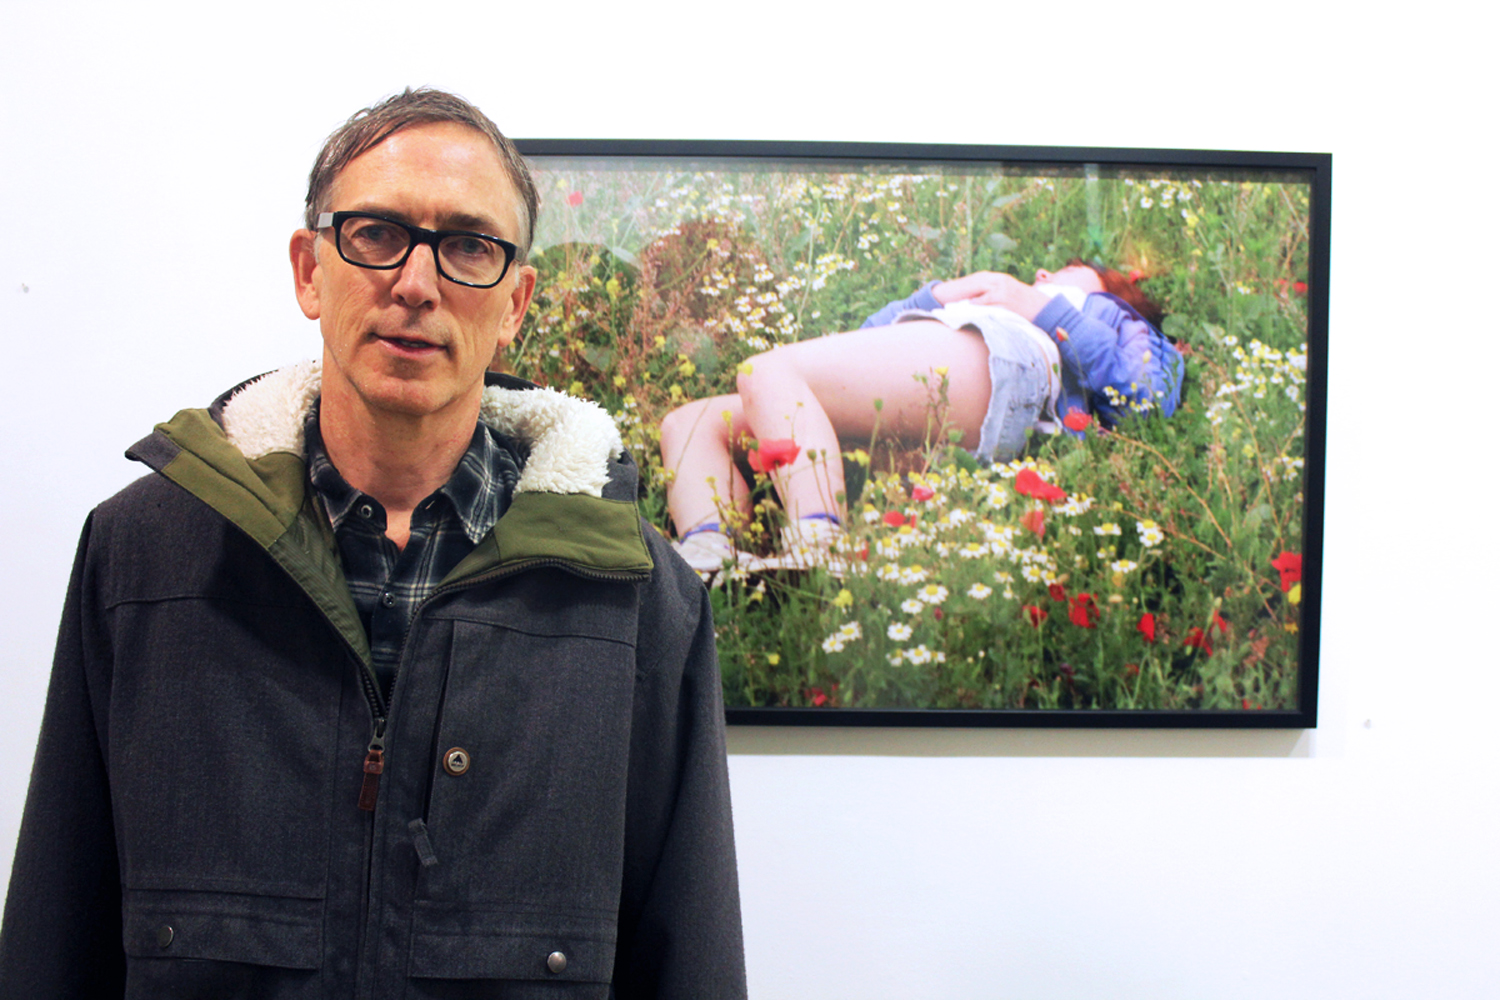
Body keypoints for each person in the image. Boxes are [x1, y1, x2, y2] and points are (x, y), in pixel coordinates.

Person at [0, 89, 746, 999]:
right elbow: (54, 932)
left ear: (515, 303)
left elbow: (689, 960)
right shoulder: (142, 556)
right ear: (310, 270)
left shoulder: (639, 600)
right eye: (378, 234)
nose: (418, 283)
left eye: (468, 245)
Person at [660, 261, 1183, 571]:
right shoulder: (967, 305)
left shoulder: (1112, 315)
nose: (1043, 273)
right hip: (933, 393)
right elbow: (865, 347)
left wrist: (1041, 304)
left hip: (1004, 365)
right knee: (688, 424)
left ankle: (817, 545)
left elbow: (1145, 397)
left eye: (1067, 274)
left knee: (766, 371)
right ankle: (711, 566)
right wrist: (937, 296)